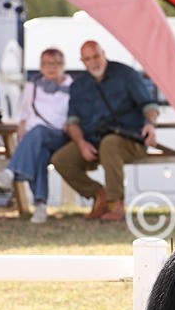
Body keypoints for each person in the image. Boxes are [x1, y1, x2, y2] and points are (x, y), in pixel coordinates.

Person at [50, 40, 158, 221]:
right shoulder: (79, 86)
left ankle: (115, 204)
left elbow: (149, 105)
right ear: (82, 61)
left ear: (104, 54)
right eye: (88, 59)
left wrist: (150, 124)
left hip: (129, 140)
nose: (93, 62)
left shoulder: (126, 75)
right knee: (61, 160)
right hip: (93, 141)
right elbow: (72, 122)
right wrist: (82, 143)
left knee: (110, 143)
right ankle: (98, 195)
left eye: (96, 56)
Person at [8, 48, 72, 224]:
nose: (51, 68)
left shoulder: (72, 87)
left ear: (63, 65)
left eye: (55, 63)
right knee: (40, 153)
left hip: (60, 136)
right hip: (36, 138)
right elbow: (25, 112)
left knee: (38, 131)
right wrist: (22, 125)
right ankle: (40, 205)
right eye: (46, 64)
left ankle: (11, 171)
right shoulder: (33, 85)